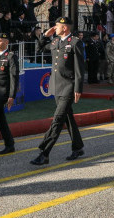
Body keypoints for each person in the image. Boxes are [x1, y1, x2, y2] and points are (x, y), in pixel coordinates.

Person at [31, 17, 86, 165]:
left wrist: (78, 88)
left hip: (68, 86)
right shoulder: (55, 42)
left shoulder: (75, 42)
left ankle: (44, 153)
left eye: (57, 25)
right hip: (56, 85)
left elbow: (80, 67)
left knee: (57, 119)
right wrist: (44, 36)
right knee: (68, 118)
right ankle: (78, 147)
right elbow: (39, 49)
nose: (55, 27)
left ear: (65, 28)